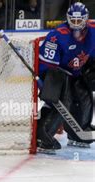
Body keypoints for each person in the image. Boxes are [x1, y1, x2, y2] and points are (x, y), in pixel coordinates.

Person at [37, 2, 94, 153]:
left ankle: (78, 132)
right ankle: (43, 134)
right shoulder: (58, 36)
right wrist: (46, 86)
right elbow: (46, 67)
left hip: (77, 73)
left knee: (84, 94)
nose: (76, 24)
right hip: (57, 73)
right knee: (63, 99)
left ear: (86, 19)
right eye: (73, 20)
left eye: (79, 20)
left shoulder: (93, 31)